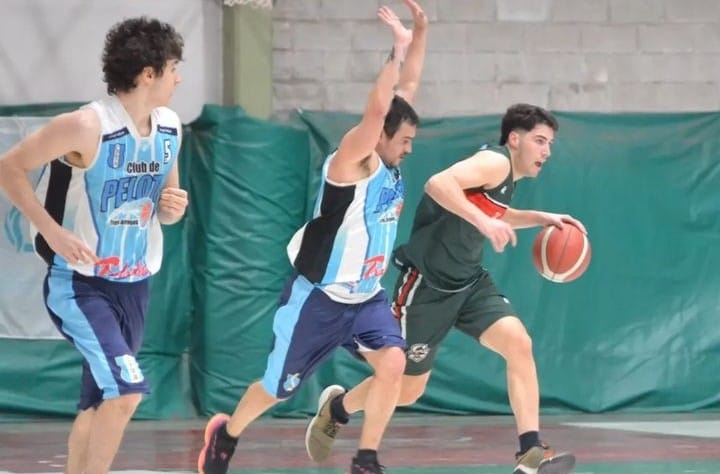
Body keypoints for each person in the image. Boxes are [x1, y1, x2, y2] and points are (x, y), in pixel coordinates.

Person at [197, 2, 427, 474]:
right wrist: (395, 50)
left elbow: (405, 94)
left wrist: (420, 33)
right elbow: (381, 106)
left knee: (393, 364)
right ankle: (228, 434)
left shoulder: (389, 155)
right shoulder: (352, 163)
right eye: (403, 140)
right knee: (277, 389)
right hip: (319, 299)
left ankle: (366, 459)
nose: (408, 148)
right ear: (379, 136)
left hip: (366, 298)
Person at [306, 104, 582, 474]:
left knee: (519, 343)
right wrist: (483, 220)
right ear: (514, 139)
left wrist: (541, 218)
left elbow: (493, 210)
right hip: (427, 286)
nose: (546, 151)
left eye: (550, 143)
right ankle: (336, 410)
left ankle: (530, 451)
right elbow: (438, 184)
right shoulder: (495, 163)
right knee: (407, 388)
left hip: (469, 284)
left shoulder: (506, 178)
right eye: (539, 141)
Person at [0, 17, 186, 474]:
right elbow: (8, 167)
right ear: (149, 73)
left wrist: (172, 206)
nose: (179, 78)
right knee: (125, 392)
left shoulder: (170, 128)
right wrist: (50, 230)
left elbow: (167, 208)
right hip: (81, 285)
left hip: (135, 285)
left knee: (99, 400)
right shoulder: (86, 124)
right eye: (174, 67)